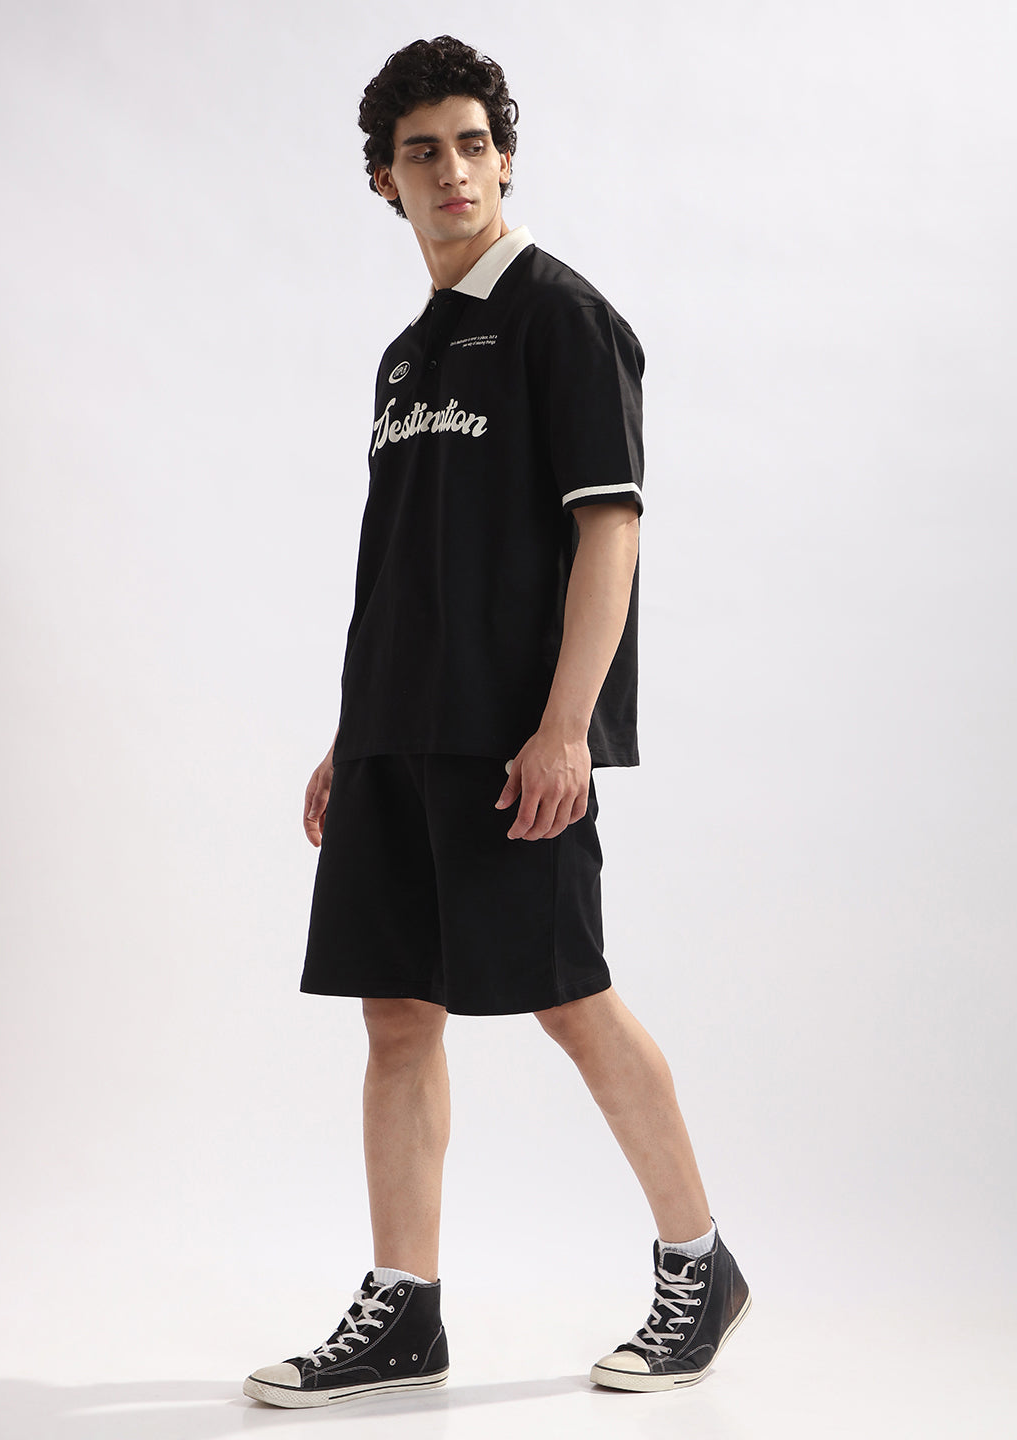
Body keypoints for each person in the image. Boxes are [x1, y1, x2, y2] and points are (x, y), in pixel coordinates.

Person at [243, 35, 750, 1410]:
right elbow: (398, 565)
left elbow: (611, 533)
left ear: (505, 159)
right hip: (394, 738)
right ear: (384, 180)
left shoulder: (561, 318)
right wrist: (352, 734)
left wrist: (567, 727)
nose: (452, 171)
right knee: (396, 1015)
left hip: (512, 742)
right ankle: (404, 1309)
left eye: (472, 144)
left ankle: (700, 1265)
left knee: (569, 997)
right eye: (423, 152)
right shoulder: (405, 358)